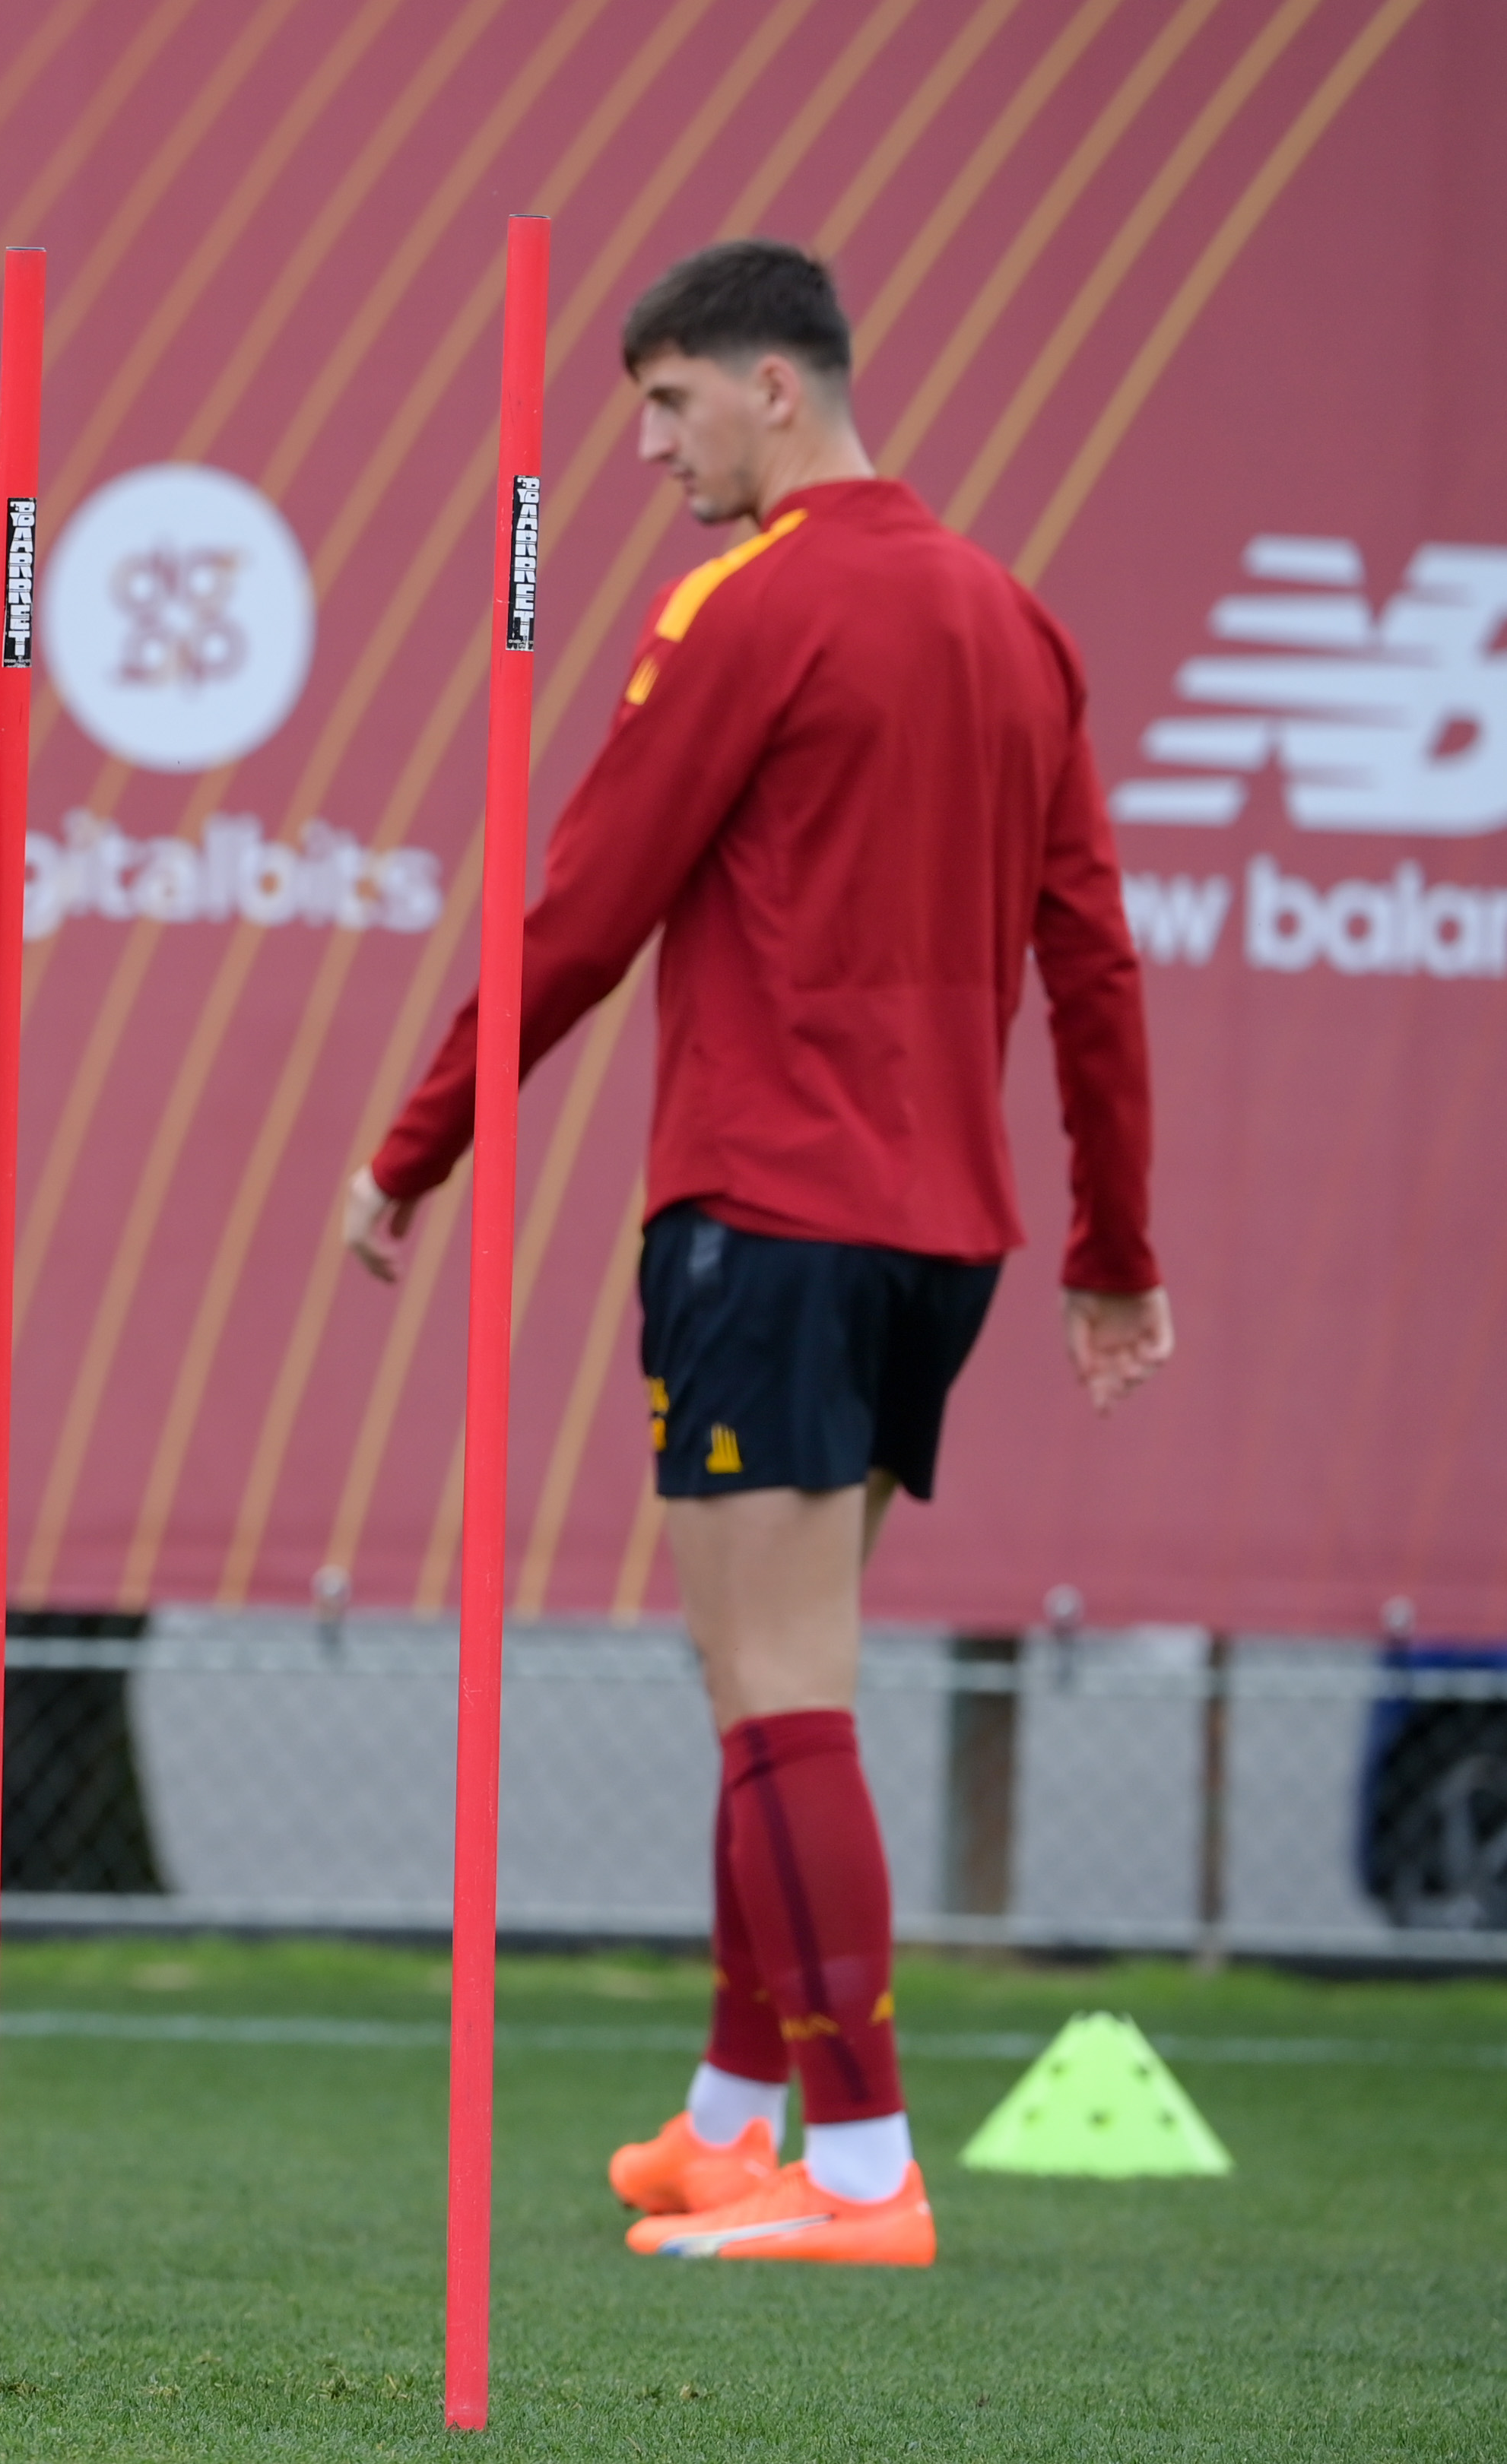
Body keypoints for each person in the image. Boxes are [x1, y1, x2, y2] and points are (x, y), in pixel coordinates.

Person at [344, 240, 1171, 2268]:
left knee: (776, 1686)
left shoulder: (746, 604)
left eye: (664, 408)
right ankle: (731, 2118)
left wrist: (409, 1144)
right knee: (756, 1672)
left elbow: (580, 912)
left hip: (765, 1218)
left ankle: (864, 2169)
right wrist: (1109, 1244)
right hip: (937, 1239)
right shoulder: (1012, 618)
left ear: (768, 390)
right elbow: (1093, 961)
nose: (642, 452)